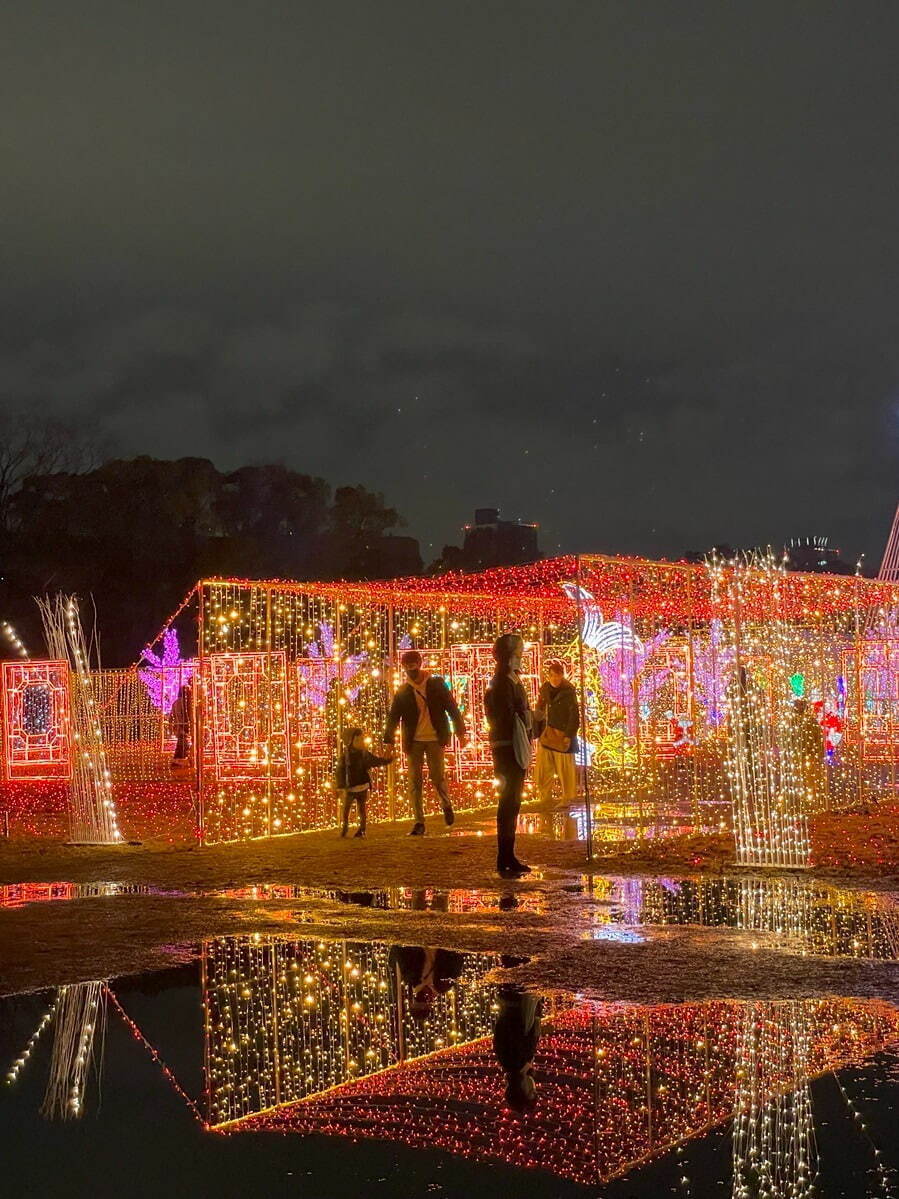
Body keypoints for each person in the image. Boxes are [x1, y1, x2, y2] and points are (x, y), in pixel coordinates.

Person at [383, 648, 468, 836]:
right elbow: (393, 716)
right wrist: (388, 741)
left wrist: (460, 732)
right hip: (414, 741)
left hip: (435, 738)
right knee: (415, 781)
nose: (410, 671)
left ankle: (445, 803)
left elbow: (451, 708)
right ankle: (419, 821)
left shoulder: (436, 684)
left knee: (437, 777)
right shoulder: (404, 691)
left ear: (420, 665)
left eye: (413, 667)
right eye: (407, 668)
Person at [484, 633, 533, 877]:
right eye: (518, 651)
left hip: (511, 742)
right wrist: (526, 717)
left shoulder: (510, 680)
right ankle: (504, 856)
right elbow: (503, 714)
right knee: (508, 800)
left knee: (513, 801)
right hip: (506, 746)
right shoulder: (502, 682)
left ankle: (507, 854)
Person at [493, 958, 542, 1111]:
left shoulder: (512, 1059)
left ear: (521, 1089)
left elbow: (512, 1026)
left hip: (517, 995)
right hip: (516, 997)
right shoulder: (517, 1063)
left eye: (531, 1091)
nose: (534, 1087)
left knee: (517, 958)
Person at [533, 658, 580, 807]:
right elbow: (540, 708)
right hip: (548, 733)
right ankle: (545, 796)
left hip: (563, 733)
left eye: (558, 675)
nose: (555, 679)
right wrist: (536, 729)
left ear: (562, 676)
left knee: (565, 768)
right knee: (544, 767)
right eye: (552, 675)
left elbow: (574, 714)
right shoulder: (545, 689)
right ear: (549, 676)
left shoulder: (569, 691)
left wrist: (569, 735)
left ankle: (566, 797)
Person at [334, 727, 393, 838]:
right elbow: (340, 771)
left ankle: (362, 829)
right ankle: (345, 828)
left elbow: (375, 761)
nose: (361, 742)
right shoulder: (345, 756)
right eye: (357, 740)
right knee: (346, 810)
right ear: (350, 742)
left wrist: (387, 761)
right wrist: (340, 786)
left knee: (362, 810)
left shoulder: (364, 754)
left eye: (361, 740)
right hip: (350, 788)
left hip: (362, 787)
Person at [388, 943, 464, 1022]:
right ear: (430, 1004)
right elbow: (457, 963)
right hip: (443, 941)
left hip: (420, 938)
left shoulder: (411, 977)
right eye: (423, 1003)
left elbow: (399, 952)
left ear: (412, 1001)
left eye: (418, 1001)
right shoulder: (443, 985)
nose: (422, 998)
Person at [170, 680, 193, 766]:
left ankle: (178, 759)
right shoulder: (184, 702)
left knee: (181, 742)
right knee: (183, 743)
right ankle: (180, 759)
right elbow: (185, 714)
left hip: (179, 725)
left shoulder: (176, 702)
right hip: (183, 724)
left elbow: (172, 715)